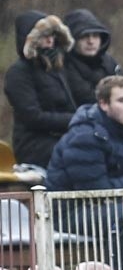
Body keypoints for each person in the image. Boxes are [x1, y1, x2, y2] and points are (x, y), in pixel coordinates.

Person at [45, 75, 123, 270]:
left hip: (114, 205)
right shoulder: (84, 136)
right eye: (122, 100)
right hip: (68, 212)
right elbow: (96, 190)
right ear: (104, 104)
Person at [4, 10, 76, 169]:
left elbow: (70, 105)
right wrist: (73, 119)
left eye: (52, 34)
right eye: (44, 35)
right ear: (31, 39)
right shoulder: (18, 73)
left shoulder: (56, 69)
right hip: (34, 145)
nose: (50, 39)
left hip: (62, 138)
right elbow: (33, 117)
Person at [63, 8, 123, 106]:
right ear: (72, 39)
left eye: (95, 36)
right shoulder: (65, 64)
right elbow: (86, 97)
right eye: (84, 36)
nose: (91, 41)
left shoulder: (109, 61)